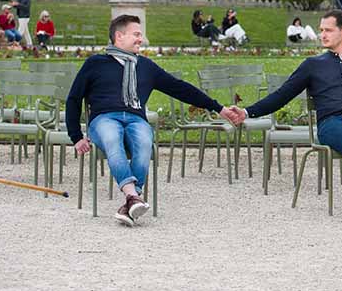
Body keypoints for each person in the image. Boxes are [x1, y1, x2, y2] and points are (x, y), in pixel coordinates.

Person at [223, 10, 342, 224]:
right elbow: (281, 95)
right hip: (331, 124)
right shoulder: (312, 65)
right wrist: (248, 112)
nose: (322, 34)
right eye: (321, 30)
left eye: (328, 30)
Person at [67, 14, 228, 226]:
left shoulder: (145, 66)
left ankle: (131, 200)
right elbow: (74, 98)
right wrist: (76, 136)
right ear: (119, 36)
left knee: (144, 143)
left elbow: (180, 88)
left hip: (136, 119)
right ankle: (133, 197)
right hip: (104, 119)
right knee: (112, 138)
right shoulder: (95, 63)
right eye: (136, 34)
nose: (140, 39)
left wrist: (218, 108)